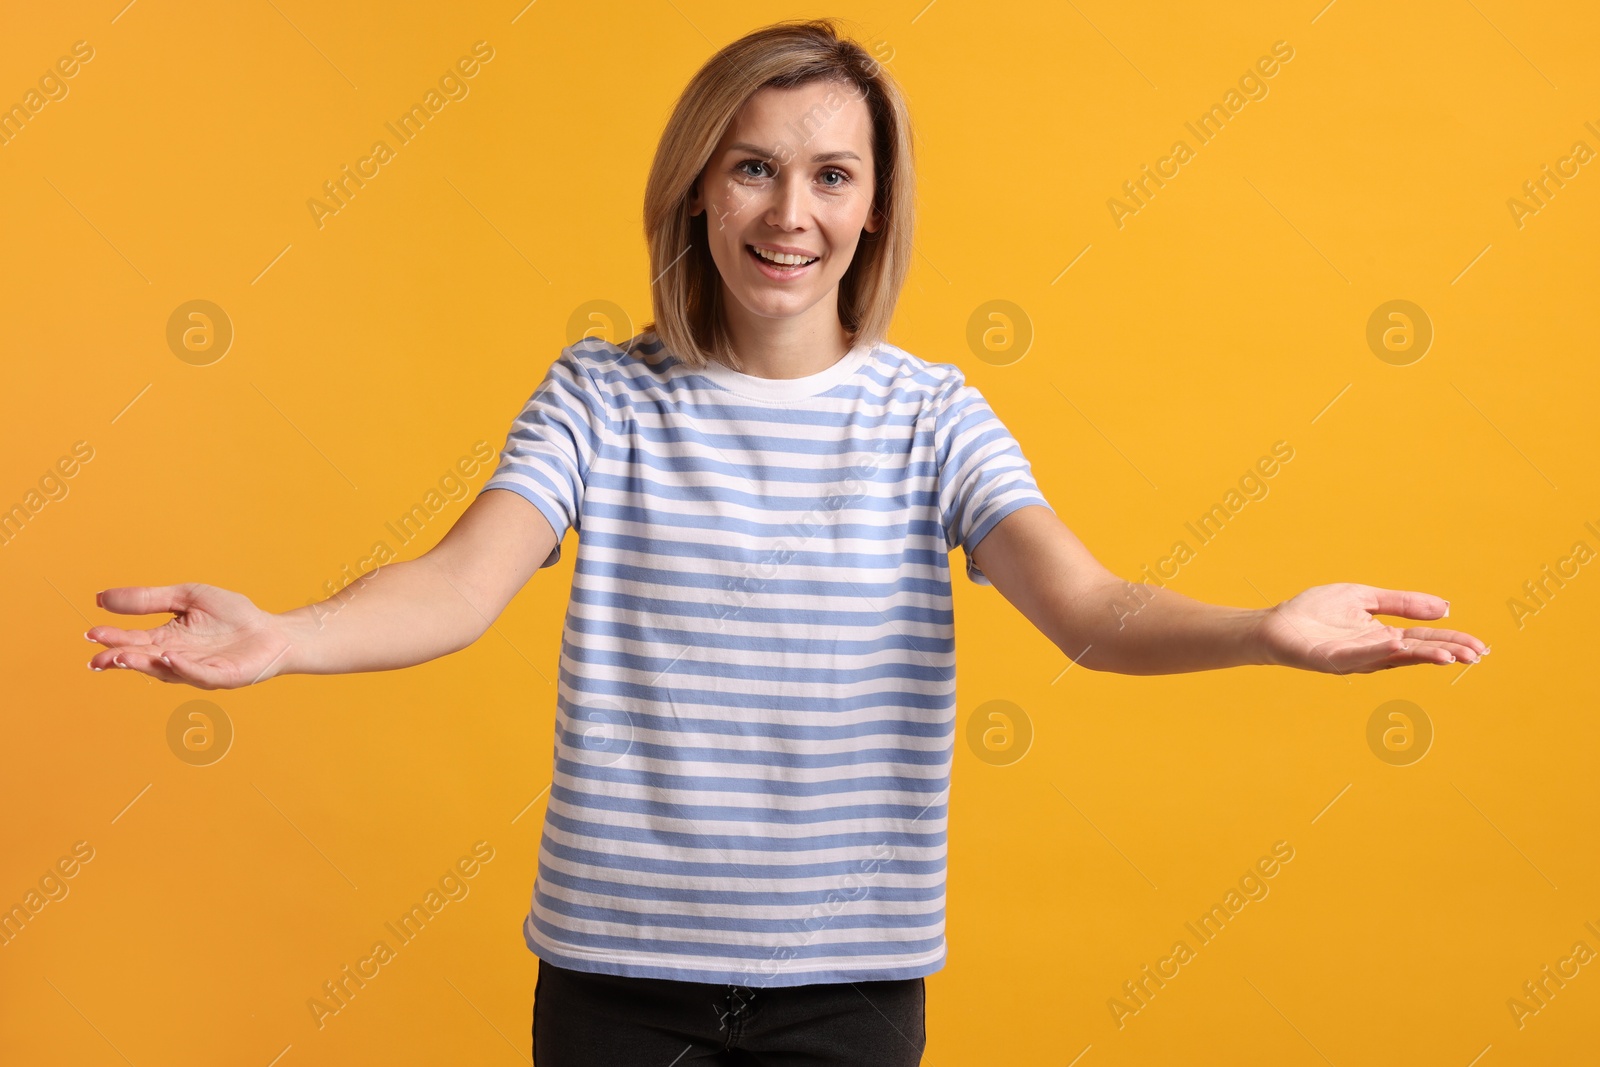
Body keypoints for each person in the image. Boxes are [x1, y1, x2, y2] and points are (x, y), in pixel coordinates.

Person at [85, 18, 1487, 1067]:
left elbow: (1085, 610)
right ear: (699, 186)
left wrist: (1258, 630)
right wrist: (288, 636)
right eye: (753, 168)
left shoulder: (931, 416)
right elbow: (459, 583)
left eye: (831, 174)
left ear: (875, 203)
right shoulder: (601, 396)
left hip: (850, 993)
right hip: (612, 989)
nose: (790, 213)